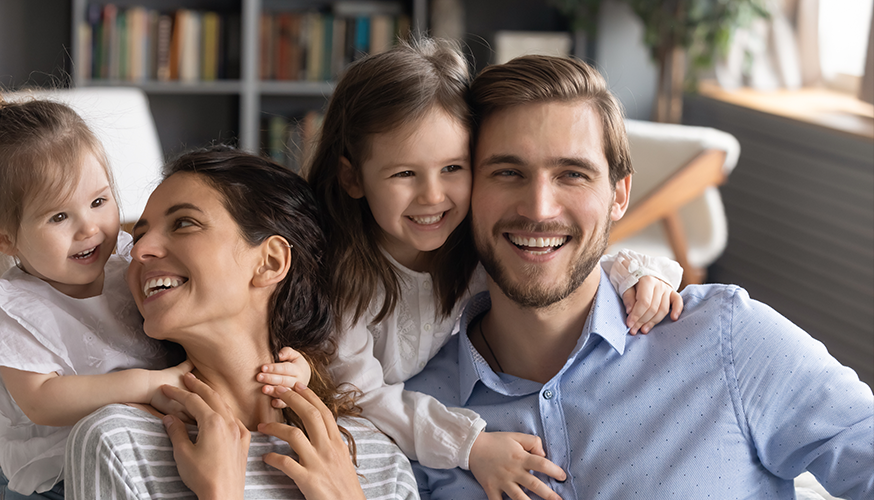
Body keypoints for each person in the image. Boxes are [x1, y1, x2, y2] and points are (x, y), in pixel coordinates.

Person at [404, 54, 874, 499]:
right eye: (508, 172)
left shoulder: (727, 338)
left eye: (573, 174)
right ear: (464, 193)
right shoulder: (416, 411)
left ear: (619, 195)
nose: (539, 209)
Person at [287, 37, 685, 500]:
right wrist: (470, 445)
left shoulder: (468, 250)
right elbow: (361, 399)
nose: (433, 197)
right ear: (353, 178)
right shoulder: (339, 280)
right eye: (404, 174)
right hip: (340, 427)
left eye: (453, 168)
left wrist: (642, 277)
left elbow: (559, 258)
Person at [0, 83, 309, 499]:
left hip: (142, 450)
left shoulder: (129, 262)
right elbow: (42, 402)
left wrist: (292, 373)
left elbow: (216, 336)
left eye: (99, 201)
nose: (89, 228)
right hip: (54, 482)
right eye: (58, 217)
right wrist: (146, 385)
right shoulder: (12, 308)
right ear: (2, 240)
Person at [64, 147, 418, 499]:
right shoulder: (118, 444)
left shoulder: (374, 458)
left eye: (184, 223)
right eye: (139, 236)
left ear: (269, 261)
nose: (140, 251)